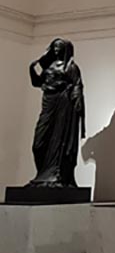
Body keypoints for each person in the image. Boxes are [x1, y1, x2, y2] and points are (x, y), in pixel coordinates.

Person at [28, 38, 85, 187]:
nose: (56, 49)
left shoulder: (71, 67)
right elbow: (37, 83)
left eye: (59, 47)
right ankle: (41, 176)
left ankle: (57, 176)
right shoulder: (49, 66)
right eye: (55, 46)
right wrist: (32, 70)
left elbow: (77, 84)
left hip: (63, 104)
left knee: (60, 140)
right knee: (38, 143)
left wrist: (77, 101)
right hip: (49, 104)